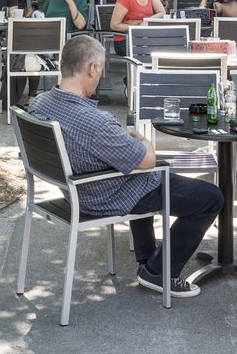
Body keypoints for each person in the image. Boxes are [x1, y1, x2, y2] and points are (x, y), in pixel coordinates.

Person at [29, 36, 223, 298]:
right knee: (211, 197)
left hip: (76, 189)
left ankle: (148, 260)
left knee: (150, 173)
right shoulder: (95, 123)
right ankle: (158, 273)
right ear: (92, 69)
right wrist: (142, 140)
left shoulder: (40, 103)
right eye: (100, 70)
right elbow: (147, 161)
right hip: (107, 194)